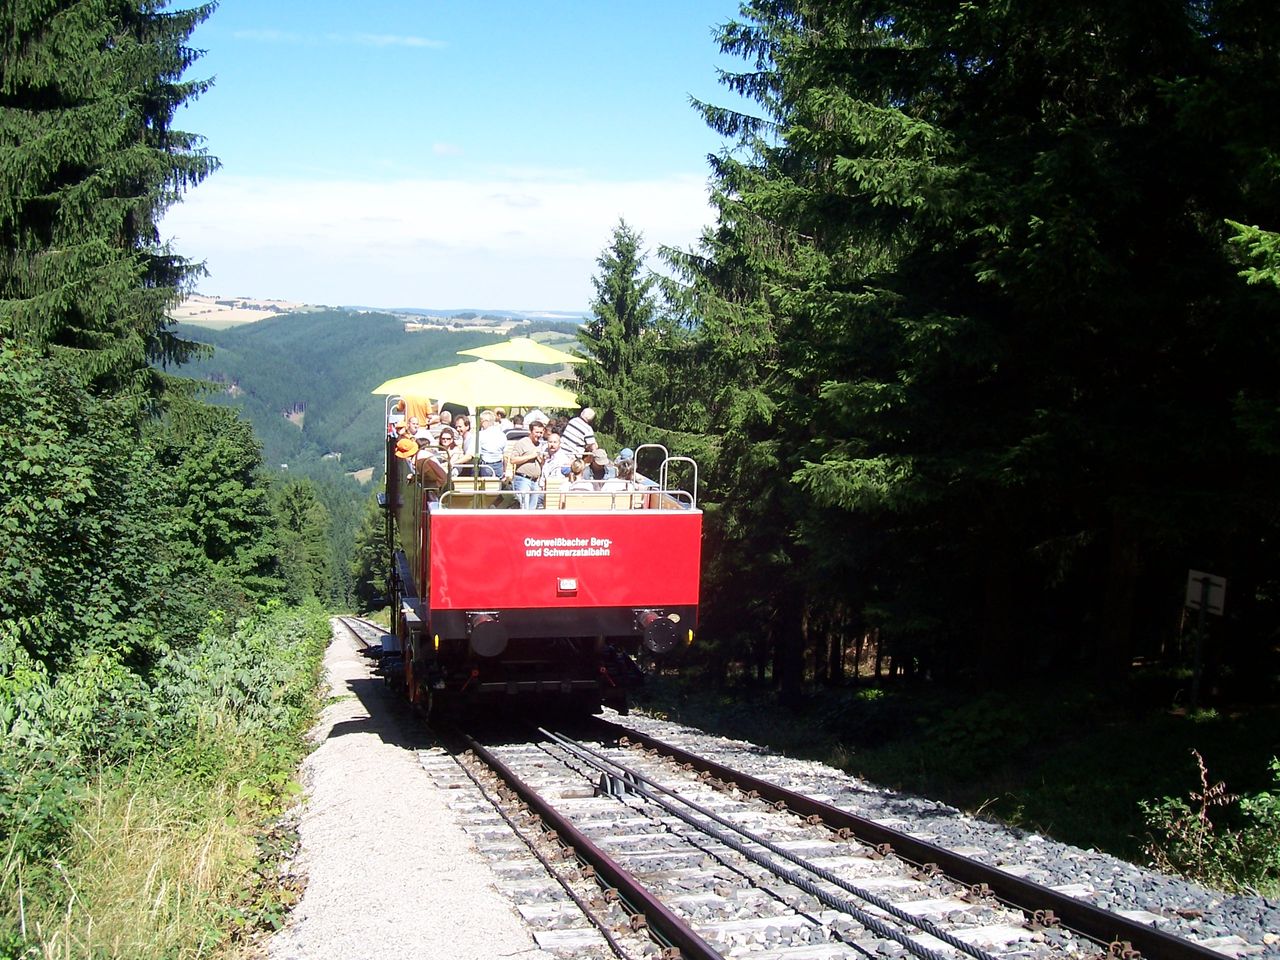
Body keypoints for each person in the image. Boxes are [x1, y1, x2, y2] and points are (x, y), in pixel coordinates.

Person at [508, 420, 546, 509]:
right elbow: (513, 460)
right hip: (523, 479)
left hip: (535, 481)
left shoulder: (540, 445)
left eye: (541, 433)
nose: (539, 435)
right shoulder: (522, 443)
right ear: (530, 431)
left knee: (532, 510)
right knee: (524, 508)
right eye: (536, 432)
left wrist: (542, 460)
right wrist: (531, 456)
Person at [476, 410, 507, 477]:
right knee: (497, 486)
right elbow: (505, 456)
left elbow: (476, 454)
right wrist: (504, 471)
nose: (480, 423)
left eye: (481, 421)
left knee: (486, 486)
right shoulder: (502, 434)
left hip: (486, 466)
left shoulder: (480, 435)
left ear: (485, 421)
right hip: (499, 466)